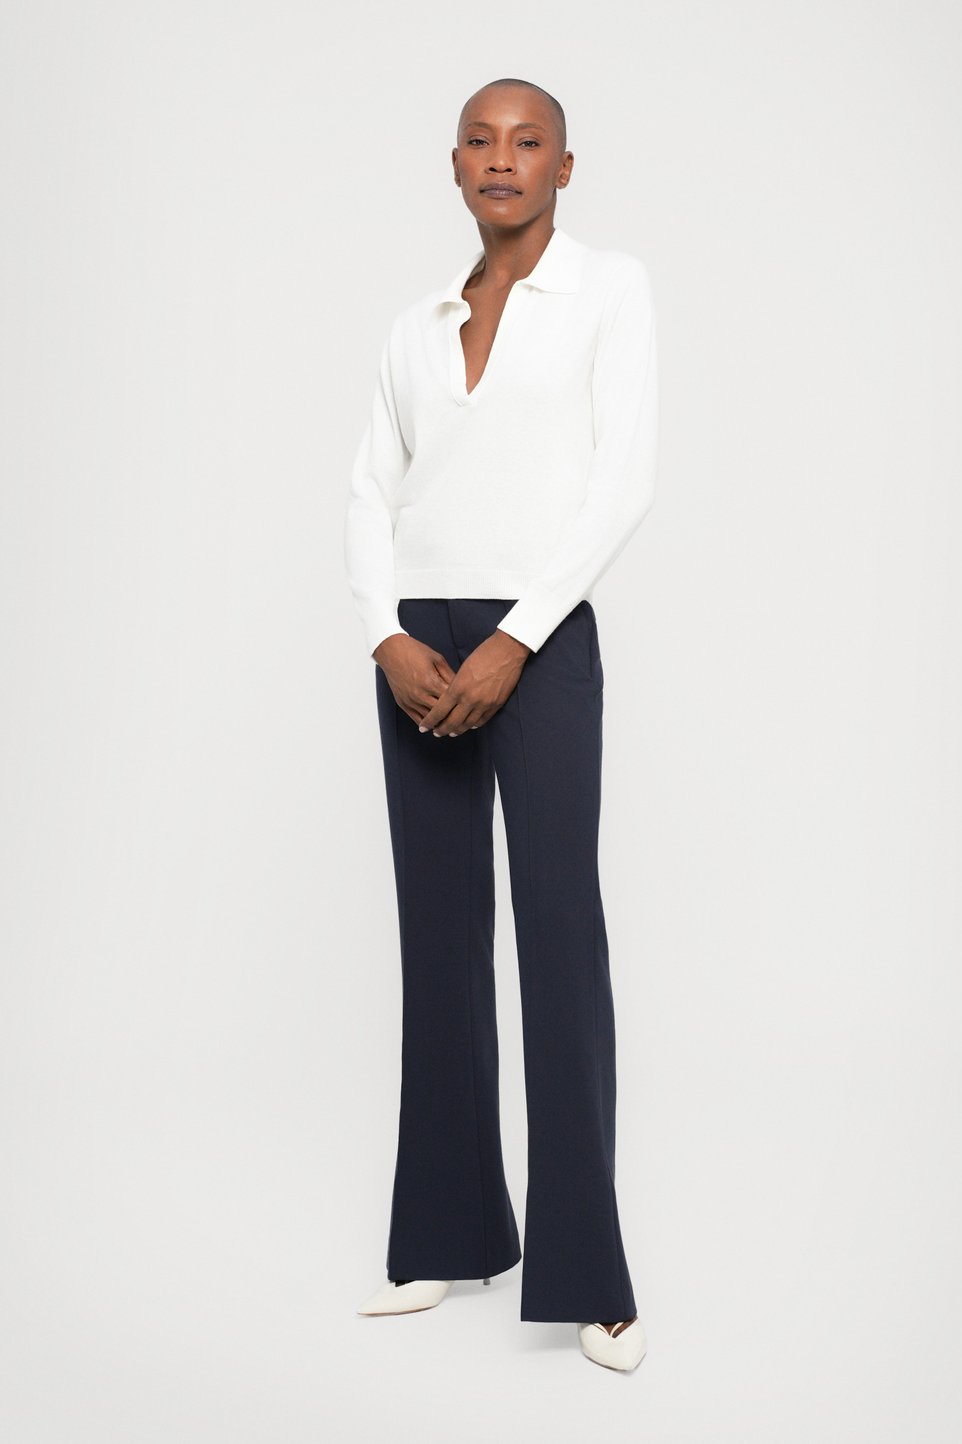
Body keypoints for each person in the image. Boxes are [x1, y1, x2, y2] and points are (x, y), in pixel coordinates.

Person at [344, 76, 658, 1372]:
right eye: (480, 139)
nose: (502, 159)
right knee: (438, 939)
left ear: (563, 168)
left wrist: (517, 638)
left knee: (558, 934)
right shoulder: (417, 324)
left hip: (542, 632)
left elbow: (620, 482)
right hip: (418, 642)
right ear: (455, 164)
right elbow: (371, 488)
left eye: (528, 142)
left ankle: (591, 1275)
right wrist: (386, 632)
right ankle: (448, 1231)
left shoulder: (608, 290)